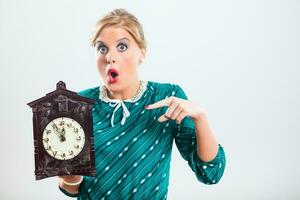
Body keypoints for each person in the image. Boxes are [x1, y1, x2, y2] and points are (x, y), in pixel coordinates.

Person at [58, 8, 226, 200]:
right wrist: (69, 176)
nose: (109, 57)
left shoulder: (167, 97)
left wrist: (201, 118)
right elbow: (70, 189)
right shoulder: (78, 105)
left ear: (142, 53)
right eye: (102, 48)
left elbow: (211, 174)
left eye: (122, 47)